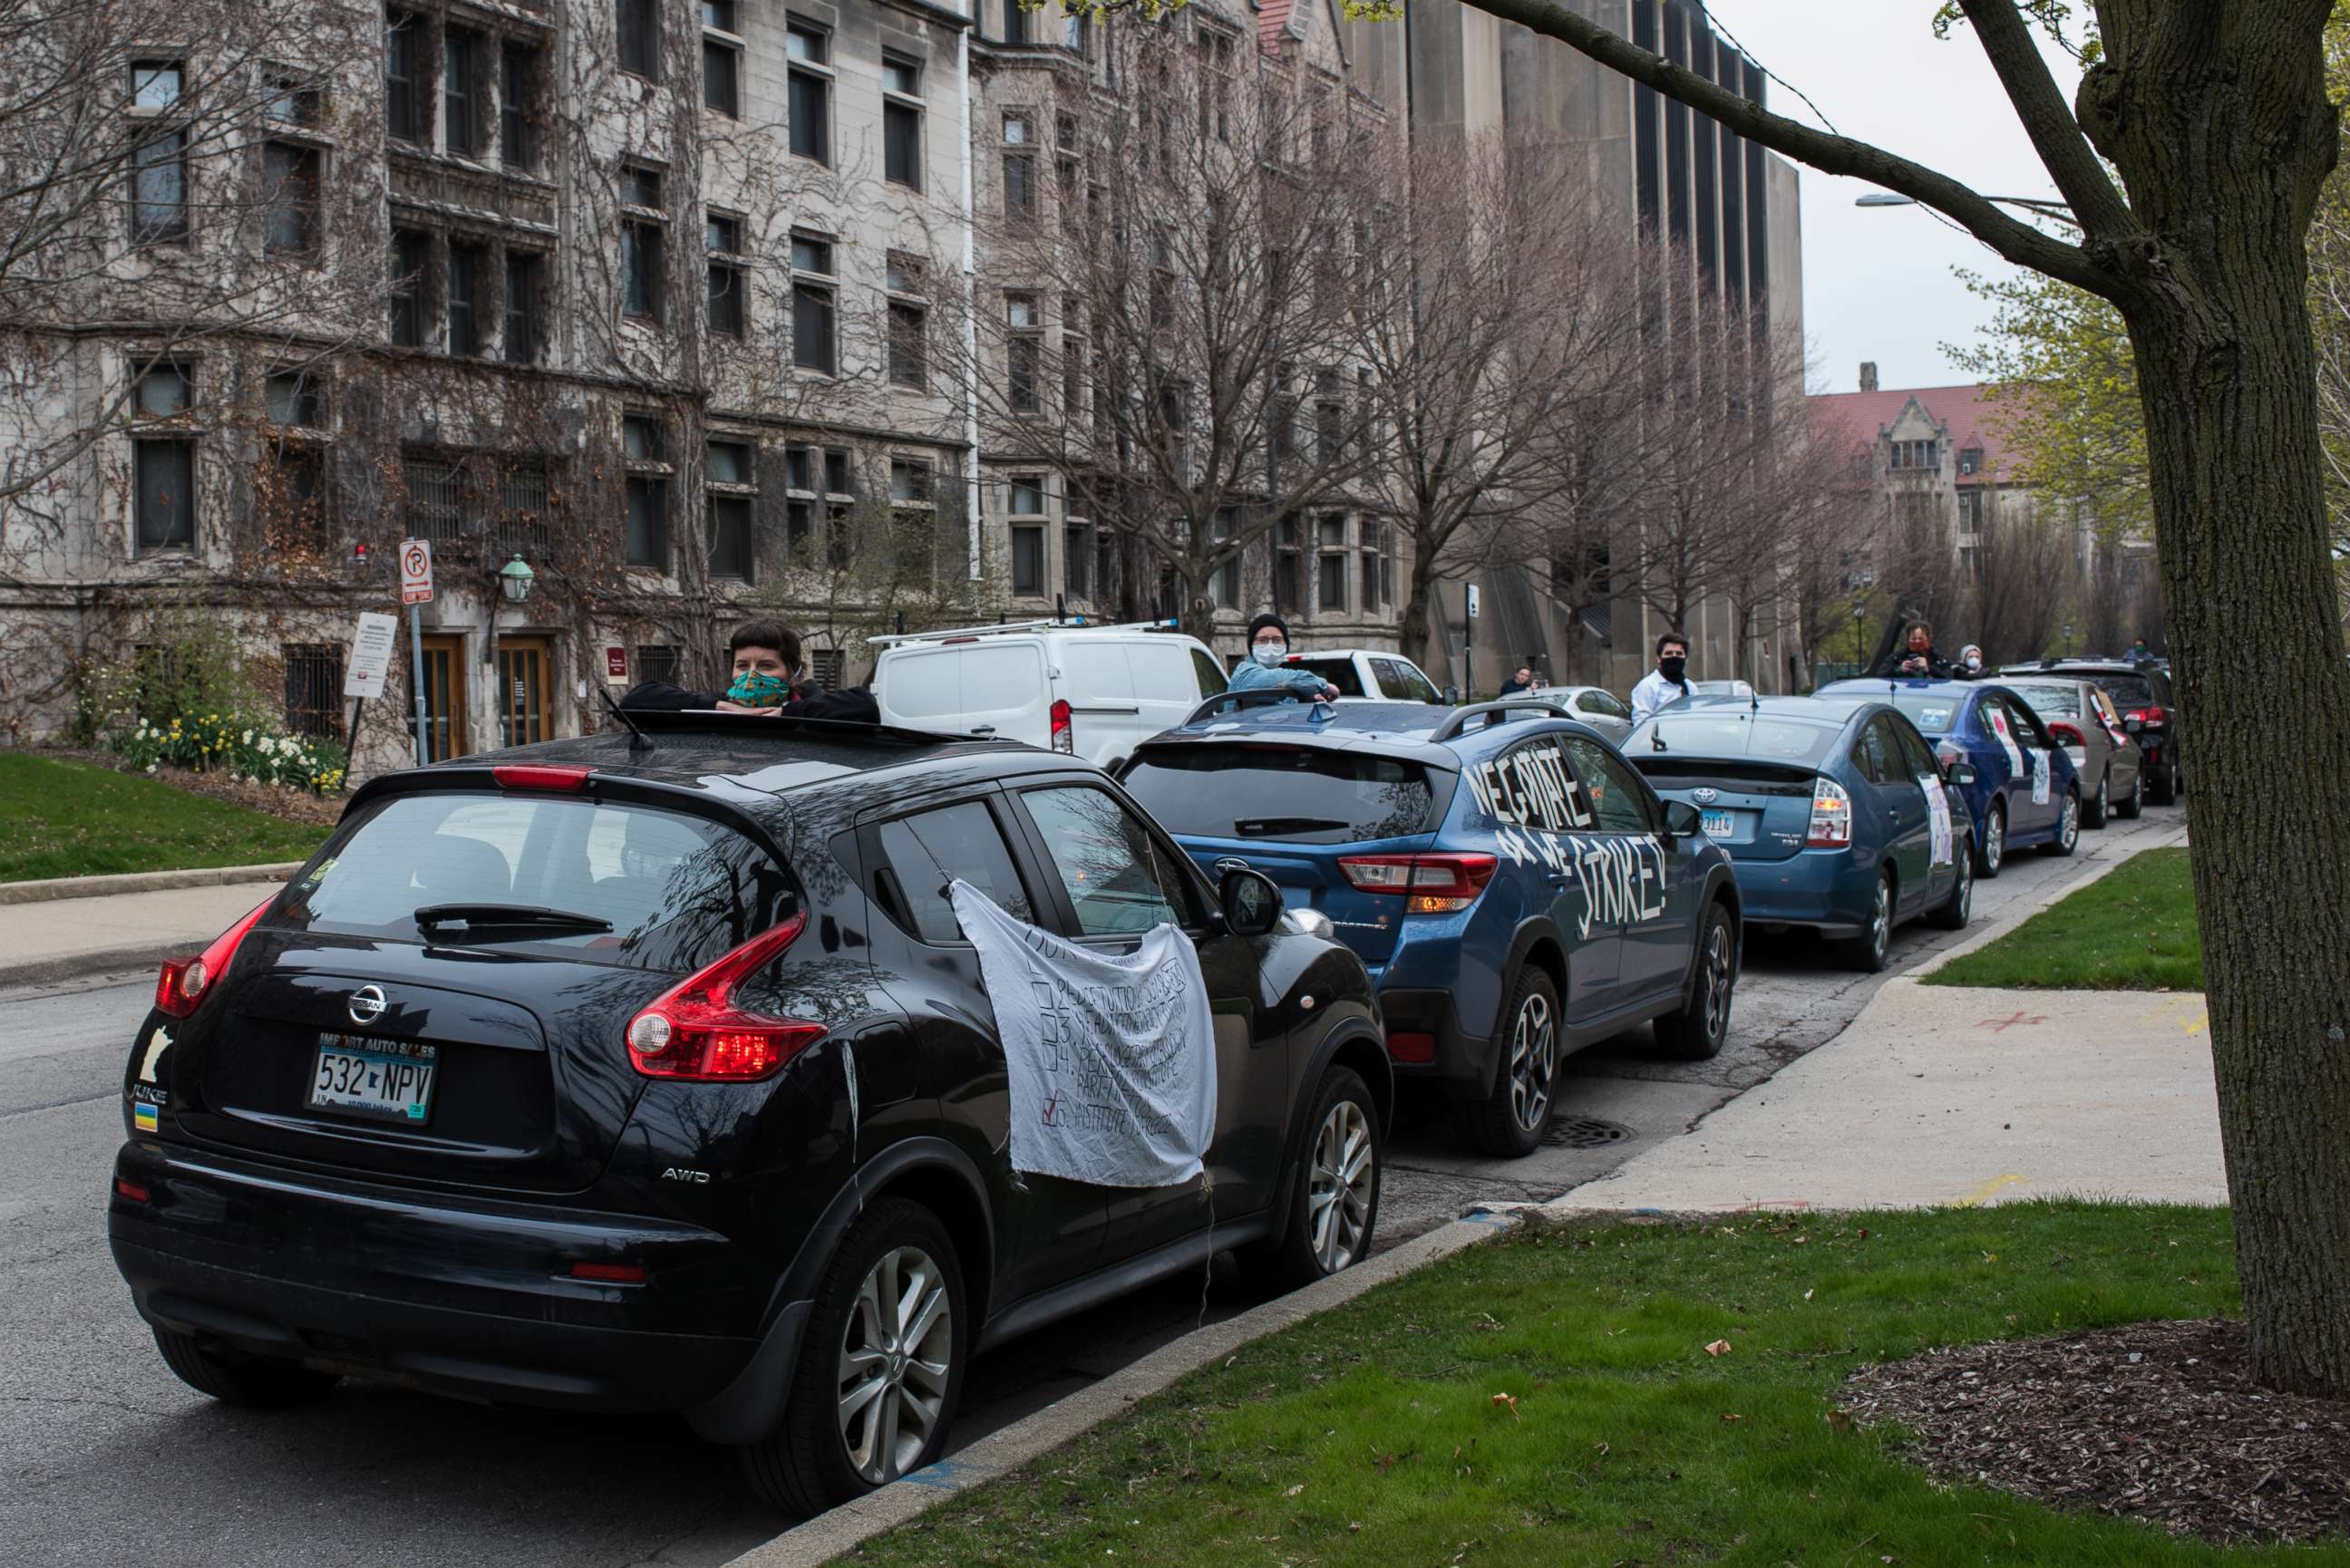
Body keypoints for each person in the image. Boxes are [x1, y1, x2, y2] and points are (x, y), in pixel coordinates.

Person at [620, 618, 880, 722]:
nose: (751, 675)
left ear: (795, 674)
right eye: (742, 665)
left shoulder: (815, 708)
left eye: (766, 666)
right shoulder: (720, 707)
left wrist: (786, 713)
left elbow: (865, 706)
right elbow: (632, 703)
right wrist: (719, 707)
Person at [1226, 614, 1342, 702]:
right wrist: (1324, 686)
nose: (1270, 645)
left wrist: (1305, 700)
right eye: (1262, 640)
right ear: (1251, 645)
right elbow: (1283, 678)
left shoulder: (1282, 684)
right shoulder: (1245, 673)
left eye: (1277, 640)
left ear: (1285, 645)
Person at [1628, 631, 1692, 728]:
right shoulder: (1647, 687)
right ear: (1659, 658)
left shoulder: (1691, 687)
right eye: (1669, 653)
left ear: (1686, 659)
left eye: (1679, 654)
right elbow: (1641, 726)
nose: (1674, 657)